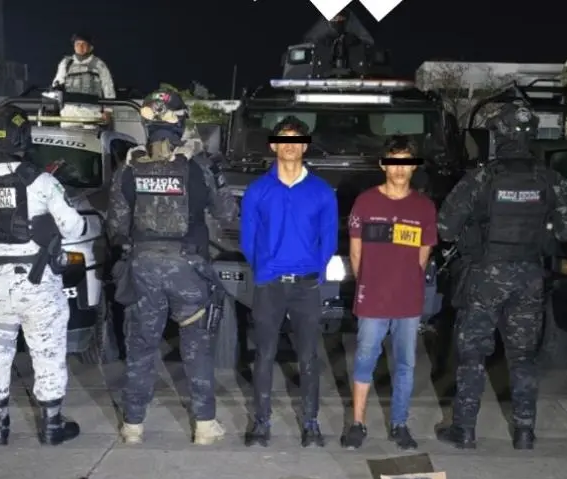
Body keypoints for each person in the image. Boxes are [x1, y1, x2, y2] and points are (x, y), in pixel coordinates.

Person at [435, 102, 567, 450]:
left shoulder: (482, 178)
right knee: (524, 357)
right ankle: (524, 432)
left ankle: (465, 429)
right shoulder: (549, 179)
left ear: (499, 135)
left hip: (486, 277)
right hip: (529, 277)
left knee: (473, 355)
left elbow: (445, 227)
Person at [0, 105, 85, 446]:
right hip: (37, 284)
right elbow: (74, 227)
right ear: (22, 137)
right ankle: (52, 426)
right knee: (47, 352)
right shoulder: (40, 181)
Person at [107, 91, 237, 445]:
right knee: (196, 348)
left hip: (143, 267)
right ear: (181, 121)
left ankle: (133, 426)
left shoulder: (129, 168)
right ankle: (205, 425)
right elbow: (227, 214)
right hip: (188, 269)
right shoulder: (199, 166)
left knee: (141, 348)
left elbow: (116, 225)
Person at [239, 116, 338, 448]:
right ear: (274, 145)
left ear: (305, 146)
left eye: (297, 140)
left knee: (308, 357)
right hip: (269, 285)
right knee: (265, 355)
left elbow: (328, 239)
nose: (290, 146)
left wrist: (314, 272)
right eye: (284, 139)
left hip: (306, 286)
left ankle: (310, 424)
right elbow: (248, 239)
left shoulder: (322, 191)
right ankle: (261, 423)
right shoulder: (258, 190)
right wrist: (265, 270)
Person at [341, 136, 436, 450]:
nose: (399, 169)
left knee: (405, 365)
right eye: (393, 162)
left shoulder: (423, 207)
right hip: (373, 300)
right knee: (365, 360)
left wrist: (403, 281)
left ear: (413, 167)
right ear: (383, 165)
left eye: (405, 163)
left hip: (408, 301)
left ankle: (399, 424)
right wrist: (370, 284)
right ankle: (357, 424)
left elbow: (422, 256)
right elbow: (356, 253)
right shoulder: (366, 203)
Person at [51, 33, 116, 129]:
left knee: (91, 137)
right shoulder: (66, 63)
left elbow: (108, 87)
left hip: (91, 112)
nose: (80, 47)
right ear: (74, 47)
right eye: (77, 44)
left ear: (91, 47)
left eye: (84, 44)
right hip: (70, 112)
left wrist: (108, 111)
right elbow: (57, 83)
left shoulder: (99, 64)